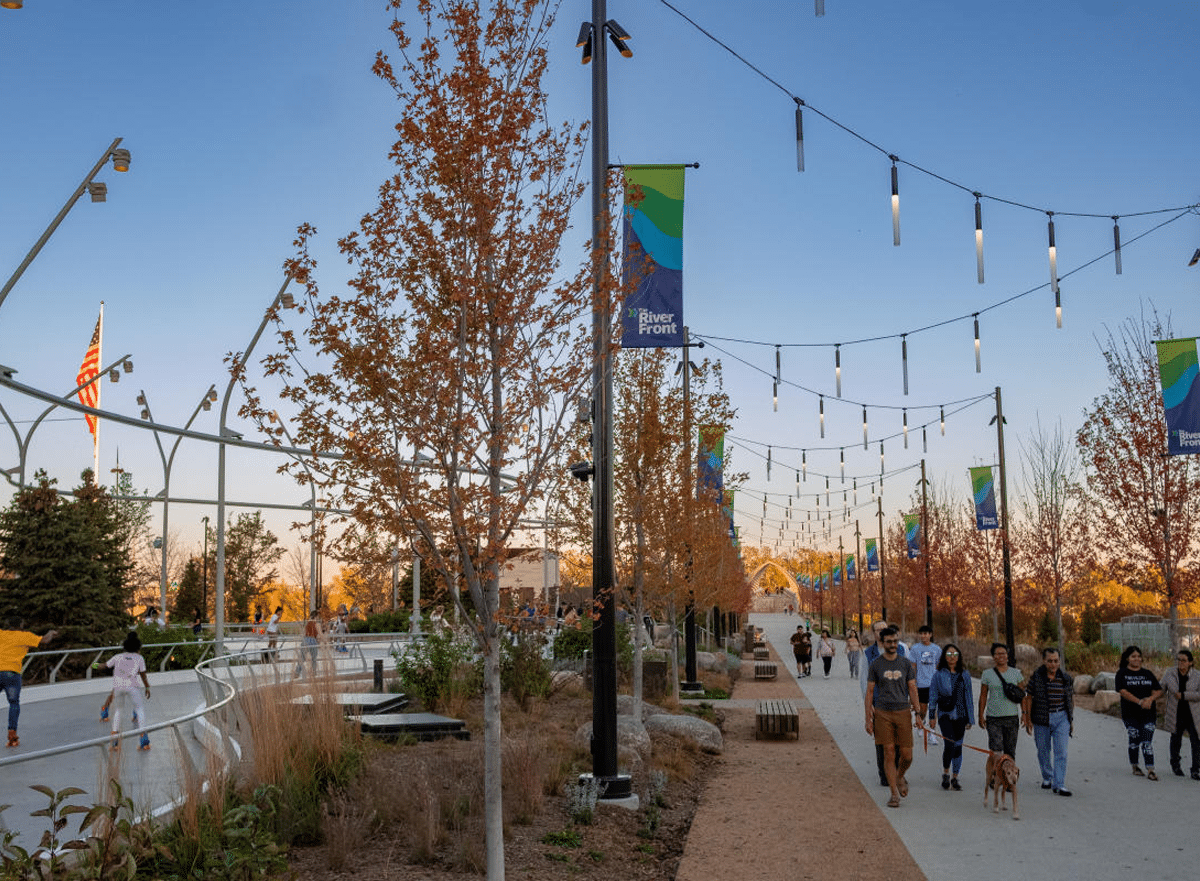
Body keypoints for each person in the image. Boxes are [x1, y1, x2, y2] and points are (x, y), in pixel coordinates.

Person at [864, 626, 921, 809]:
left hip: (903, 711)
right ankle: (894, 794)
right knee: (888, 752)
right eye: (889, 641)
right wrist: (868, 717)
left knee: (907, 755)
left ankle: (899, 775)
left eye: (895, 641)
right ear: (882, 642)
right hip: (883, 713)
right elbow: (870, 692)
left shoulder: (905, 664)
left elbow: (912, 688)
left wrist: (918, 714)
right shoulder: (876, 664)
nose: (893, 644)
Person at [860, 619, 909, 786]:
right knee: (882, 742)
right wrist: (868, 706)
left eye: (884, 629)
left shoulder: (902, 650)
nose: (881, 632)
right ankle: (885, 774)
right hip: (879, 704)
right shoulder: (869, 654)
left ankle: (897, 771)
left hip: (900, 703)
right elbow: (864, 682)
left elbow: (910, 677)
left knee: (899, 742)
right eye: (877, 630)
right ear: (873, 633)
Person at [1023, 646, 1074, 796]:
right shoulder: (1036, 677)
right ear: (1044, 661)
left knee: (1062, 752)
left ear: (1059, 662)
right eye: (1050, 661)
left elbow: (1070, 699)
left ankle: (1059, 784)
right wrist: (1027, 718)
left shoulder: (1065, 678)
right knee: (1043, 750)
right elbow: (1028, 697)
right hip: (1041, 718)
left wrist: (1070, 720)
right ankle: (1047, 777)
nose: (1053, 664)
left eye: (1056, 661)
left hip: (1061, 717)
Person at [1, 621, 58, 747]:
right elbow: (45, 640)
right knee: (14, 703)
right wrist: (51, 632)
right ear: (20, 625)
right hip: (11, 674)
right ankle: (12, 734)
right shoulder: (24, 636)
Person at [927, 643, 974, 791]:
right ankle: (946, 773)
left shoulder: (964, 675)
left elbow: (969, 697)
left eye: (955, 654)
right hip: (945, 714)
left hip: (961, 714)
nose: (952, 657)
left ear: (959, 657)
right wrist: (931, 716)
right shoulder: (938, 674)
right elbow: (933, 695)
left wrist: (970, 718)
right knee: (949, 744)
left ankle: (955, 777)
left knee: (958, 746)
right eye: (948, 654)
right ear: (944, 657)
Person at [1116, 644, 1164, 780]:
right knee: (1135, 737)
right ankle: (1135, 765)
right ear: (1127, 659)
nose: (1137, 659)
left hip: (1148, 713)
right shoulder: (1122, 674)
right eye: (1133, 656)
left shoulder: (1147, 673)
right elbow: (1123, 691)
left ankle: (1150, 769)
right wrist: (1139, 701)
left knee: (1147, 741)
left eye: (1139, 656)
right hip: (1130, 713)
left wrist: (1150, 699)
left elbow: (1158, 690)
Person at [105, 631, 151, 751]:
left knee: (118, 711)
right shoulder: (139, 658)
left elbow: (105, 665)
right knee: (140, 709)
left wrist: (92, 665)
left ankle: (114, 739)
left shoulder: (118, 657)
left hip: (118, 687)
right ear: (137, 647)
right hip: (132, 687)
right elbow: (143, 675)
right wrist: (147, 687)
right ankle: (143, 739)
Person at [978, 642, 1023, 759]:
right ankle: (995, 775)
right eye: (997, 654)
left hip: (1011, 717)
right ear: (993, 657)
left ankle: (1009, 776)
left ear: (1008, 655)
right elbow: (983, 695)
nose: (1001, 656)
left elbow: (1022, 695)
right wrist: (980, 715)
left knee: (1010, 752)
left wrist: (1025, 714)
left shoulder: (1016, 673)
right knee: (996, 751)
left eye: (1003, 653)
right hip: (993, 718)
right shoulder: (987, 674)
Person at [1162, 648, 1200, 780]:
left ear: (1190, 662)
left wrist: (1184, 695)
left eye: (1183, 660)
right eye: (1178, 659)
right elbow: (1161, 688)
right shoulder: (1170, 673)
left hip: (1193, 715)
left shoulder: (1197, 676)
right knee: (1176, 740)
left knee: (1196, 742)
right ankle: (1176, 765)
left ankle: (1196, 769)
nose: (1180, 662)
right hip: (1176, 713)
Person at [910, 625, 942, 719]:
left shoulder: (937, 649)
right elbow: (913, 666)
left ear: (930, 635)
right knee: (922, 710)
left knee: (933, 709)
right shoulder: (915, 648)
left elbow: (938, 665)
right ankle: (921, 727)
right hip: (921, 684)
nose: (923, 636)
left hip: (933, 684)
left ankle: (931, 730)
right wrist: (913, 681)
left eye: (925, 633)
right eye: (921, 634)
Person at [295, 609, 322, 678]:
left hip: (305, 640)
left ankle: (297, 672)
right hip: (313, 641)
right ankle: (313, 673)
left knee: (302, 658)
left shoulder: (307, 623)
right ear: (316, 616)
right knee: (313, 658)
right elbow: (320, 634)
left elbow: (303, 634)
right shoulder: (317, 624)